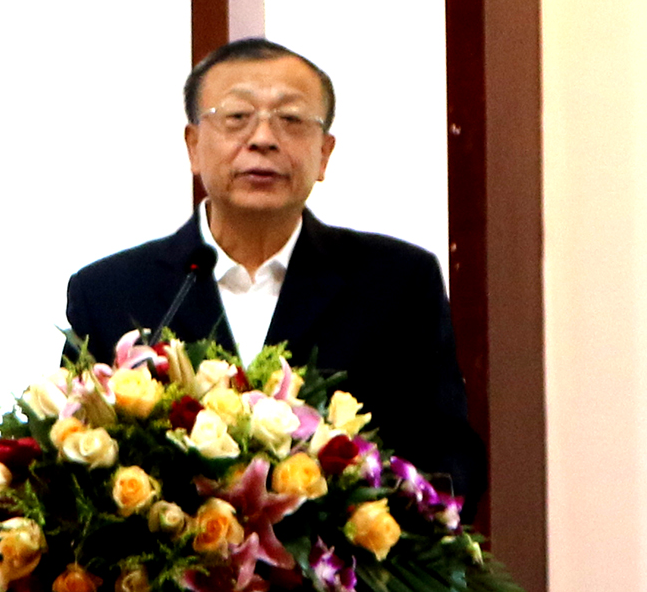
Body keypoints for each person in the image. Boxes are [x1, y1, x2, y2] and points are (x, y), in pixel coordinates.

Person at [64, 38, 487, 518]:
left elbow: (448, 455)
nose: (263, 138)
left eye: (290, 120)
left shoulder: (396, 283)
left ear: (324, 153)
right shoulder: (110, 292)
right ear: (193, 147)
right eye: (237, 116)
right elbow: (72, 455)